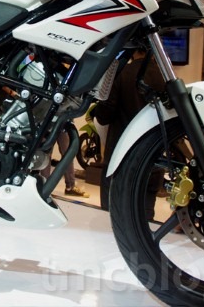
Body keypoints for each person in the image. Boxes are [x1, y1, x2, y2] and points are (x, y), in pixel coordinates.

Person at [93, 47, 165, 211]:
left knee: (110, 215)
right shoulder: (164, 77)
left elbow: (104, 115)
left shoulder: (122, 73)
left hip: (120, 159)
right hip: (152, 159)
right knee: (144, 217)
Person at [41, 130, 89, 198]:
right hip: (49, 127)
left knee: (68, 153)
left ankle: (71, 187)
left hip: (63, 127)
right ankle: (45, 187)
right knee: (46, 154)